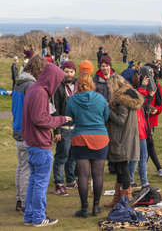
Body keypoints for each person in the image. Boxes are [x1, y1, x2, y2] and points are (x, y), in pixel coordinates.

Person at [22, 62, 71, 227]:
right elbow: (40, 119)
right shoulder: (40, 93)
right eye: (57, 80)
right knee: (40, 183)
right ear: (52, 78)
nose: (57, 84)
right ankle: (38, 217)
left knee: (34, 181)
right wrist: (61, 120)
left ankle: (30, 215)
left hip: (32, 143)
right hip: (39, 144)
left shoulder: (33, 89)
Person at [65, 73, 109, 217]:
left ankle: (84, 209)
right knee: (98, 174)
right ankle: (96, 207)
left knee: (83, 176)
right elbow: (106, 116)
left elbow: (69, 120)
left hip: (80, 138)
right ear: (92, 84)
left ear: (78, 84)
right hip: (100, 138)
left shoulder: (72, 100)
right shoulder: (101, 99)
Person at [11, 55, 47, 213]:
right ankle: (25, 202)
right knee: (28, 169)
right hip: (26, 131)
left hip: (17, 128)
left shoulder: (18, 83)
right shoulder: (31, 85)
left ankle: (20, 199)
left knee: (21, 166)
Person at [105, 75, 143, 206]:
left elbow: (121, 120)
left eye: (109, 86)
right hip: (127, 137)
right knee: (121, 170)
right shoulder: (128, 96)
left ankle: (126, 200)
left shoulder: (121, 100)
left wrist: (108, 110)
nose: (108, 89)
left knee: (123, 170)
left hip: (122, 139)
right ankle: (119, 199)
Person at [134, 65, 162, 180]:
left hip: (151, 119)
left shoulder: (156, 87)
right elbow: (139, 102)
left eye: (152, 73)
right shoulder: (140, 87)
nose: (150, 75)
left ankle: (144, 167)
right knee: (149, 144)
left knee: (149, 144)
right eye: (148, 73)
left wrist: (157, 110)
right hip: (142, 120)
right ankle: (157, 168)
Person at [51, 61, 78, 197]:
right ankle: (59, 183)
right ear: (62, 72)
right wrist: (57, 130)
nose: (69, 74)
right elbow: (54, 110)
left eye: (71, 71)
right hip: (63, 127)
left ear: (74, 72)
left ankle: (71, 180)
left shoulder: (78, 86)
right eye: (66, 71)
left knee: (73, 156)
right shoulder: (58, 87)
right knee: (62, 156)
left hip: (76, 127)